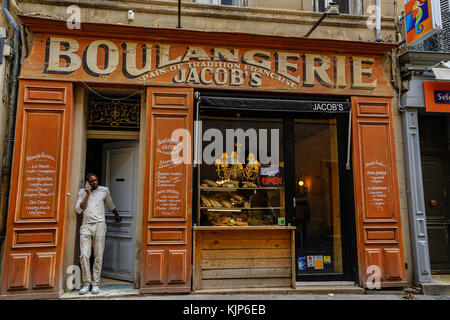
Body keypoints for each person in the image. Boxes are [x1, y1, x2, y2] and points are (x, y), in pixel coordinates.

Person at [75, 173, 121, 295]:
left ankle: (95, 283)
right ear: (87, 183)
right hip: (86, 226)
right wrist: (87, 194)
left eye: (96, 180)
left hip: (100, 225)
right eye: (91, 181)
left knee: (98, 255)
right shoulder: (82, 192)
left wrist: (116, 214)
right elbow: (78, 209)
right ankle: (86, 283)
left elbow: (110, 204)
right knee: (84, 255)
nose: (94, 183)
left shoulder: (104, 190)